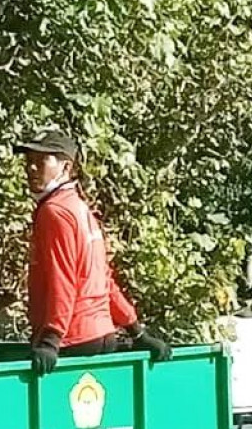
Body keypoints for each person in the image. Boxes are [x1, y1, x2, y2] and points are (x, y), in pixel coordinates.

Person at [14, 128, 172, 374]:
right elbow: (101, 280)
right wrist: (136, 330)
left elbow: (62, 280)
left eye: (40, 161)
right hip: (101, 336)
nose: (31, 168)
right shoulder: (79, 208)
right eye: (29, 161)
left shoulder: (54, 212)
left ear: (66, 167)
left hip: (73, 340)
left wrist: (51, 339)